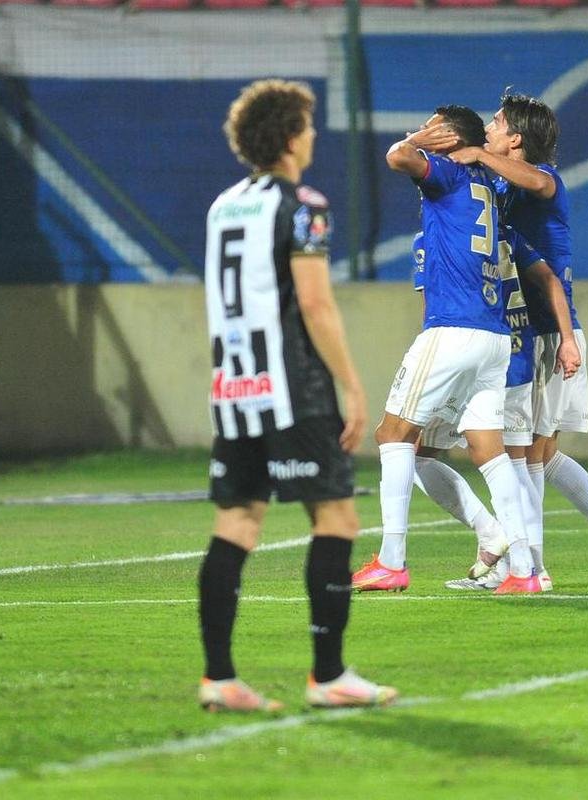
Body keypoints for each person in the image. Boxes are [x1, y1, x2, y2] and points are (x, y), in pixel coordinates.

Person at [198, 79, 397, 712]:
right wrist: (353, 384)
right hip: (294, 388)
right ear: (289, 137)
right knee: (336, 518)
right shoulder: (303, 203)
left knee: (237, 523)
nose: (313, 136)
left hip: (235, 385)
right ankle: (329, 674)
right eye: (307, 126)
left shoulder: (224, 205)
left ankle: (220, 678)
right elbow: (313, 301)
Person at [451, 91, 588, 588]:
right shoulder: (505, 188)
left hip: (546, 335)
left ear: (515, 138)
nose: (489, 127)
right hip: (528, 333)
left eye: (497, 123)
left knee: (525, 453)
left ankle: (530, 567)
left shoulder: (543, 181)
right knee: (539, 454)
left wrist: (478, 154)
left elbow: (539, 180)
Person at [351, 106, 548, 595]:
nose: (427, 130)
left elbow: (398, 156)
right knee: (490, 451)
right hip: (495, 336)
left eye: (436, 124)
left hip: (453, 328)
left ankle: (392, 560)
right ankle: (522, 567)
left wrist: (420, 138)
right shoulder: (489, 185)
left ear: (447, 137)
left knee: (394, 435)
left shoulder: (450, 172)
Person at [407, 224, 580, 592]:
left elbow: (433, 308)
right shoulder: (508, 235)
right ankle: (531, 568)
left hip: (466, 356)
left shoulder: (435, 236)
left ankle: (499, 542)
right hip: (515, 354)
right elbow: (550, 280)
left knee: (410, 450)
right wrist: (565, 339)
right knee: (515, 464)